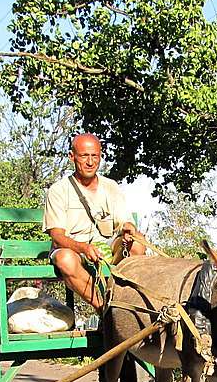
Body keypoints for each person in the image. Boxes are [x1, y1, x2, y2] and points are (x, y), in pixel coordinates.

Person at [43, 133, 146, 312]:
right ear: (72, 156)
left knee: (137, 244)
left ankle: (130, 305)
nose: (90, 162)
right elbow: (57, 237)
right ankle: (106, 311)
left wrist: (129, 229)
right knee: (65, 259)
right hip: (75, 251)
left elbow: (124, 223)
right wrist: (83, 248)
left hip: (106, 248)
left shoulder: (111, 186)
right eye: (84, 156)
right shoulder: (58, 190)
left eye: (95, 156)